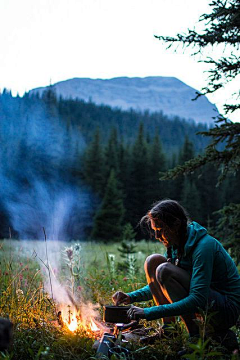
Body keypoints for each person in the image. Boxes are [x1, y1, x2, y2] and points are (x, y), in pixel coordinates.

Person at [112, 199, 240, 351]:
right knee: (153, 262)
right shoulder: (177, 244)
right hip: (208, 299)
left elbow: (197, 297)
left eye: (160, 229)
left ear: (176, 225)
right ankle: (169, 330)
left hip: (226, 308)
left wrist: (147, 313)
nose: (156, 235)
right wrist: (131, 297)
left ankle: (196, 338)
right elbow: (162, 284)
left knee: (164, 269)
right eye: (154, 230)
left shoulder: (204, 246)